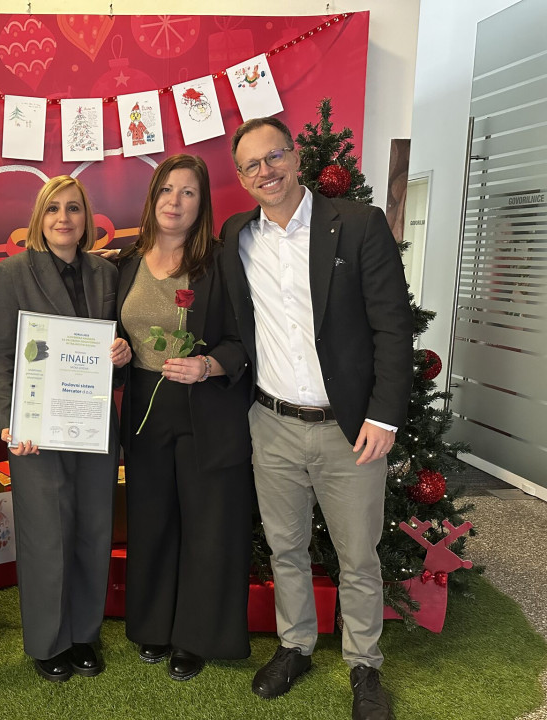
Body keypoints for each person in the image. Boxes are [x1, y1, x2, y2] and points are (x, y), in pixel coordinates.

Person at [219, 117, 414, 720]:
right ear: (242, 178)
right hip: (271, 422)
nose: (266, 171)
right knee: (286, 547)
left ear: (296, 156)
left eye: (274, 156)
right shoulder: (236, 236)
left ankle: (364, 665)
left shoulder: (357, 224)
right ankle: (295, 645)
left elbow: (393, 326)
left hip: (349, 429)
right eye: (251, 165)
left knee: (358, 556)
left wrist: (384, 417)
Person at [0, 175, 131, 682]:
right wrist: (11, 423)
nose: (63, 218)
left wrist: (121, 355)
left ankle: (84, 634)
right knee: (46, 535)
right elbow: (2, 356)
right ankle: (49, 641)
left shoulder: (105, 273)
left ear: (86, 218)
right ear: (38, 218)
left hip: (92, 424)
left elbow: (114, 350)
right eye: (53, 209)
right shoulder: (12, 273)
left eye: (73, 208)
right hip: (35, 430)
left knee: (93, 529)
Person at [117, 154, 254, 682]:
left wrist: (208, 365)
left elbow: (244, 341)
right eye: (166, 190)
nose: (175, 201)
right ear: (153, 197)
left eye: (188, 192)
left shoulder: (220, 262)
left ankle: (196, 638)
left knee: (208, 525)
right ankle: (153, 626)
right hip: (145, 408)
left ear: (202, 203)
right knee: (152, 521)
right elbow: (116, 332)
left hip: (207, 409)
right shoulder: (127, 261)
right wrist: (117, 352)